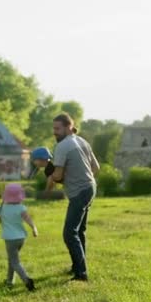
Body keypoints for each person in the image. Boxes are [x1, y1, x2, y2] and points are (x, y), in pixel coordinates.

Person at [50, 114, 100, 282]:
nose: (54, 132)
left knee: (69, 233)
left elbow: (57, 175)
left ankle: (81, 273)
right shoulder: (82, 141)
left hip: (79, 192)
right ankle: (77, 267)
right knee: (79, 230)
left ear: (68, 127)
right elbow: (96, 167)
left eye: (57, 129)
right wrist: (82, 177)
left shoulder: (63, 146)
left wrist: (51, 176)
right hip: (90, 187)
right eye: (54, 128)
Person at [0, 183, 38, 291]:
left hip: (10, 239)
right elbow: (28, 219)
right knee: (12, 259)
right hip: (21, 239)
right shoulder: (21, 208)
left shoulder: (0, 208)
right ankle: (9, 281)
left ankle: (26, 280)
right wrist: (34, 228)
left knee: (15, 262)